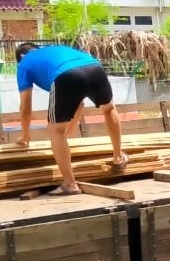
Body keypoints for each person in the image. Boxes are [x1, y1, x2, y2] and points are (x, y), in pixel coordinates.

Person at [14, 43, 127, 196]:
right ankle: (118, 158)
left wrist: (25, 134)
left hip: (66, 75)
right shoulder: (54, 49)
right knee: (108, 109)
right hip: (95, 68)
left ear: (21, 57)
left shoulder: (24, 63)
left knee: (55, 130)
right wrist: (71, 128)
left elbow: (25, 108)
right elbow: (78, 101)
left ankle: (70, 184)